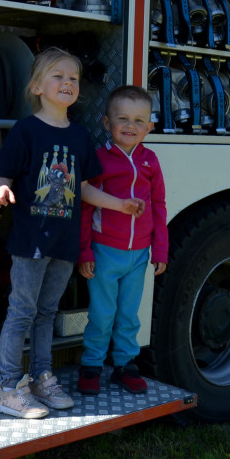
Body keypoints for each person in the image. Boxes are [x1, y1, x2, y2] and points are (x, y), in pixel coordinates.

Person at [0, 48, 145, 419]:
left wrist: (117, 204)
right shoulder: (26, 130)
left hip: (64, 243)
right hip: (31, 242)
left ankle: (42, 377)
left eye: (74, 78)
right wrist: (0, 189)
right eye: (58, 76)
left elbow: (85, 188)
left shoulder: (79, 136)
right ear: (37, 86)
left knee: (47, 312)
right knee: (21, 312)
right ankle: (7, 386)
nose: (68, 83)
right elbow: (3, 172)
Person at [77, 85, 168, 395]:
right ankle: (91, 364)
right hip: (105, 252)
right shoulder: (100, 160)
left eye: (139, 121)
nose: (131, 127)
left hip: (139, 254)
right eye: (123, 119)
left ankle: (125, 365)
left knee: (129, 313)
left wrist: (160, 249)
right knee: (102, 313)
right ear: (107, 123)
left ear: (150, 126)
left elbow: (159, 206)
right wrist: (85, 251)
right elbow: (86, 208)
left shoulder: (151, 161)